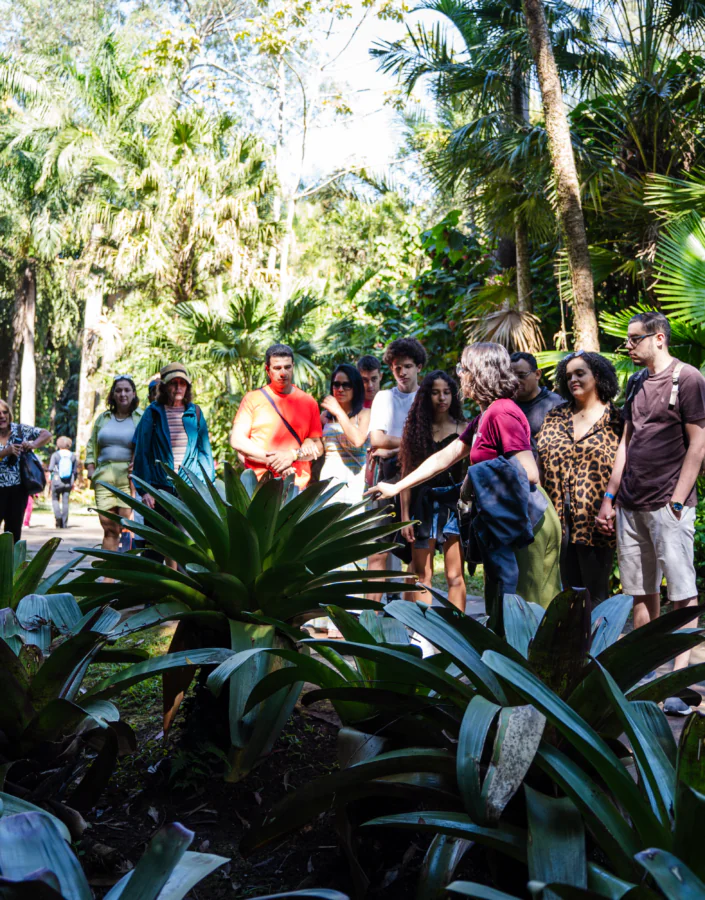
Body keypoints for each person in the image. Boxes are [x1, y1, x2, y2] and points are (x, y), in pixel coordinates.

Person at [370, 343, 562, 610]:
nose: (460, 374)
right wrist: (396, 487)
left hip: (528, 518)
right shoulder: (485, 415)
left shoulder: (502, 411)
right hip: (507, 518)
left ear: (480, 373)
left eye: (464, 368)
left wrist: (472, 481)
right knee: (502, 604)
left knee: (529, 607)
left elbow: (530, 473)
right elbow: (445, 457)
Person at [597, 311, 705, 716]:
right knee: (640, 591)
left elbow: (698, 444)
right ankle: (649, 679)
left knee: (681, 593)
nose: (628, 346)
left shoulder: (688, 378)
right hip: (630, 503)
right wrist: (610, 496)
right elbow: (626, 441)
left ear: (658, 338)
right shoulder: (638, 381)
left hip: (668, 505)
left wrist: (677, 500)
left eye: (634, 339)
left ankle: (681, 680)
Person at [537, 351, 622, 604]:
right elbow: (540, 462)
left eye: (580, 373)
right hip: (556, 521)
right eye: (569, 376)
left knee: (596, 596)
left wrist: (616, 506)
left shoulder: (617, 420)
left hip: (597, 521)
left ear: (597, 376)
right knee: (565, 598)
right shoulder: (555, 416)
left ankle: (599, 644)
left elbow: (628, 468)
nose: (573, 379)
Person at [398, 371, 467, 610]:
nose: (442, 398)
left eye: (447, 392)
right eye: (436, 393)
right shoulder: (416, 431)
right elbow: (406, 475)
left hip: (453, 505)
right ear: (426, 396)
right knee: (421, 575)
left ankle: (459, 633)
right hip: (422, 506)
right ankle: (424, 635)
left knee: (454, 575)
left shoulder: (464, 429)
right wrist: (405, 517)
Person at [367, 338, 427, 600]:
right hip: (388, 475)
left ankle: (413, 622)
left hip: (420, 476)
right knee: (378, 550)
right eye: (395, 367)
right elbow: (376, 440)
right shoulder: (383, 397)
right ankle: (369, 618)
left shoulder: (427, 397)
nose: (401, 372)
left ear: (419, 367)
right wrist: (406, 446)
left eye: (407, 366)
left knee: (416, 555)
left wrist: (396, 448)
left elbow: (431, 443)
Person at [230, 344, 323, 490]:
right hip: (258, 485)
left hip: (296, 486)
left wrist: (292, 455)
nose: (283, 373)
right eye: (277, 368)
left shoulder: (308, 402)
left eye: (287, 367)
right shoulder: (252, 399)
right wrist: (276, 461)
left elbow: (318, 446)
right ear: (268, 370)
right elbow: (237, 440)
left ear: (293, 366)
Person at [133, 361, 215, 510]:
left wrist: (205, 487)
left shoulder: (195, 412)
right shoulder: (153, 413)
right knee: (159, 533)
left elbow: (204, 453)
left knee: (187, 533)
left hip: (189, 487)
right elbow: (142, 453)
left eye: (182, 383)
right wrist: (145, 491)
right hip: (159, 488)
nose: (178, 388)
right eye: (173, 383)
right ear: (164, 387)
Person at [86, 376, 143, 552]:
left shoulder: (141, 417)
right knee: (109, 529)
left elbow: (146, 445)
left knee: (127, 528)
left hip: (128, 478)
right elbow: (91, 444)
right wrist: (90, 468)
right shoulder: (103, 418)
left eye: (127, 390)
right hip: (103, 477)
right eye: (118, 390)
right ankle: (108, 577)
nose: (122, 394)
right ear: (113, 394)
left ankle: (126, 572)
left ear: (133, 393)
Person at [0, 400, 51, 542]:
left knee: (13, 533)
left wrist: (32, 444)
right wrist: (6, 452)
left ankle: (11, 563)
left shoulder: (20, 430)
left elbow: (46, 434)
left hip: (17, 489)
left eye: (4, 412)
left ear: (9, 414)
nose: (2, 416)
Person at [319, 364, 370, 504]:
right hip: (328, 484)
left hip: (355, 485)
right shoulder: (325, 416)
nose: (340, 389)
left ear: (356, 387)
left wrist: (338, 411)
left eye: (346, 385)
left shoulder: (364, 414)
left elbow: (358, 441)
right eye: (336, 384)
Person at [510, 352, 563, 440]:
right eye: (511, 376)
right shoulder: (505, 405)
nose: (516, 381)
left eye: (521, 375)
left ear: (537, 374)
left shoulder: (557, 405)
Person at [48, 436, 78, 529]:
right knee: (65, 502)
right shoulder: (72, 456)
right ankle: (64, 523)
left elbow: (51, 468)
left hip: (57, 480)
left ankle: (58, 518)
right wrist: (73, 481)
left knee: (55, 499)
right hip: (68, 482)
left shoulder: (55, 455)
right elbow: (75, 471)